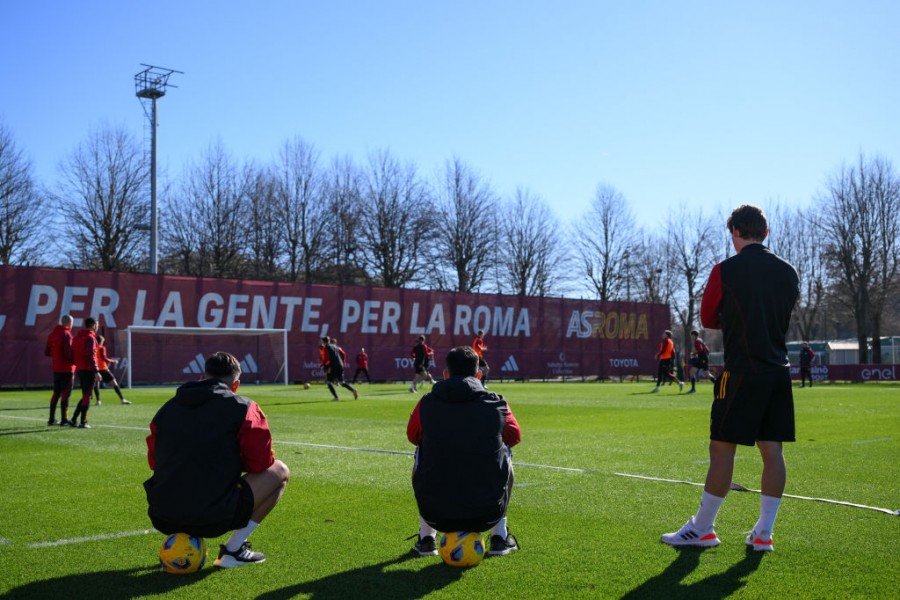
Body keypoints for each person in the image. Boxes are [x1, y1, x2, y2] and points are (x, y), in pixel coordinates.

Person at [661, 204, 799, 552]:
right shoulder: (789, 272)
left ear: (735, 231)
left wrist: (737, 319)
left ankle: (703, 529)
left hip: (741, 372)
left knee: (721, 449)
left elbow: (708, 317)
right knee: (773, 451)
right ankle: (764, 533)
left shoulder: (726, 269)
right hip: (778, 372)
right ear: (765, 233)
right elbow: (779, 314)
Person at [144, 351, 290, 568]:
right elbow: (260, 464)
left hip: (162, 514)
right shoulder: (244, 407)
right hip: (211, 516)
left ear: (204, 376)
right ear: (235, 385)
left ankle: (185, 539)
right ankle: (233, 550)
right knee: (280, 472)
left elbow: (155, 462)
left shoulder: (167, 408)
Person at [407, 345, 521, 556]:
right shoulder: (498, 403)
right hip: (487, 514)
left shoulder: (426, 403)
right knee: (505, 450)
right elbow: (515, 437)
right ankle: (499, 537)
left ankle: (426, 539)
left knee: (420, 449)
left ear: (445, 374)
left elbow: (412, 436)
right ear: (478, 374)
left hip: (435, 514)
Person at [70, 317, 101, 428]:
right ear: (93, 325)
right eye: (97, 325)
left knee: (85, 396)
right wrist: (96, 371)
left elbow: (73, 352)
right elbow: (90, 355)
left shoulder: (77, 337)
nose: (97, 327)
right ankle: (83, 422)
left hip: (80, 369)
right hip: (88, 370)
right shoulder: (90, 338)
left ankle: (73, 419)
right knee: (87, 396)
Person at [45, 314, 76, 426]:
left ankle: (51, 419)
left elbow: (47, 352)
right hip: (67, 369)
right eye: (72, 323)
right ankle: (64, 420)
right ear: (69, 323)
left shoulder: (52, 335)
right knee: (66, 395)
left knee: (56, 393)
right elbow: (68, 354)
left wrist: (57, 357)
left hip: (56, 369)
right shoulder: (66, 334)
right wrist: (77, 362)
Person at [93, 335, 131, 405]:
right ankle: (122, 399)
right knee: (114, 383)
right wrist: (113, 361)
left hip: (96, 369)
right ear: (101, 341)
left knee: (96, 385)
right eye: (102, 341)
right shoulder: (102, 348)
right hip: (103, 369)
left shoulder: (94, 348)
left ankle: (98, 401)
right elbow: (104, 358)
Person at [319, 336, 358, 401]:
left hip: (332, 366)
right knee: (342, 382)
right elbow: (343, 353)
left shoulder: (326, 347)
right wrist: (343, 362)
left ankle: (336, 397)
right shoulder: (335, 346)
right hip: (340, 365)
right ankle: (353, 390)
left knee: (329, 382)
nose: (320, 342)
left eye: (321, 341)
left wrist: (323, 365)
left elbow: (327, 358)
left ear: (324, 342)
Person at [686, 329, 715, 394]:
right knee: (692, 372)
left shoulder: (697, 341)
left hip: (702, 360)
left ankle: (693, 389)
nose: (691, 337)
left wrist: (694, 353)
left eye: (692, 335)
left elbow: (700, 350)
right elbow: (707, 350)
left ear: (694, 335)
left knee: (706, 374)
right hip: (702, 359)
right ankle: (693, 389)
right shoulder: (700, 340)